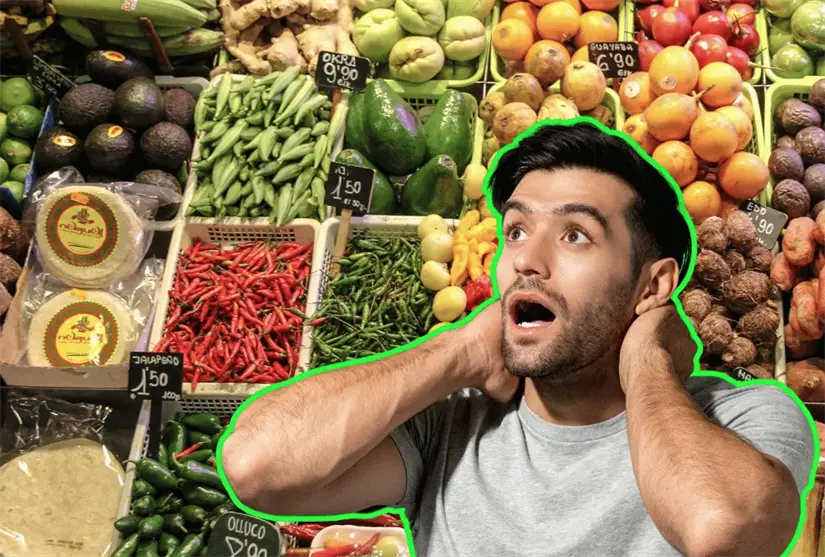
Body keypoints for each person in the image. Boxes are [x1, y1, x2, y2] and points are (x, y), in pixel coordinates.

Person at [222, 120, 815, 557]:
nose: (527, 260)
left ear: (652, 283)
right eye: (517, 230)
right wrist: (462, 348)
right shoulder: (448, 425)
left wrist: (647, 360)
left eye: (576, 235)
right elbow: (255, 466)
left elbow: (725, 530)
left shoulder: (744, 416)